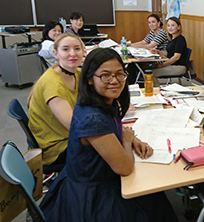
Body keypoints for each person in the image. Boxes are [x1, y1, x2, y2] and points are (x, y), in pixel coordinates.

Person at [39, 48, 178, 222]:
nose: (114, 81)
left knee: (155, 196)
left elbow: (110, 130)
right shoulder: (93, 118)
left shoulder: (101, 101)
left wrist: (134, 139)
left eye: (120, 74)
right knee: (152, 198)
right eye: (105, 75)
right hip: (92, 194)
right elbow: (124, 168)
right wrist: (127, 141)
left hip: (91, 178)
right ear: (90, 78)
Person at [28, 33, 85, 167]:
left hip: (65, 136)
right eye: (65, 49)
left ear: (83, 51)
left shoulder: (77, 73)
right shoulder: (53, 84)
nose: (73, 53)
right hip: (57, 146)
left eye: (77, 49)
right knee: (111, 148)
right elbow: (75, 127)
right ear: (56, 53)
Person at [151, 16, 187, 86]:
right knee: (149, 69)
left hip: (179, 67)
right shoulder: (171, 39)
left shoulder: (180, 39)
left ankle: (156, 91)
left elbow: (176, 57)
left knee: (151, 73)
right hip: (171, 65)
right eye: (168, 25)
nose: (170, 28)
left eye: (173, 25)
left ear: (179, 27)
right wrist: (158, 52)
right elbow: (168, 53)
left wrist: (162, 65)